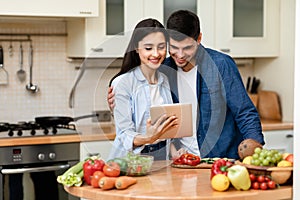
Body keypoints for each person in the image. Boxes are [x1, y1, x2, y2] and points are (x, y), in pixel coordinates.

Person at [108, 10, 264, 160]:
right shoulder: (165, 70)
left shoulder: (221, 65)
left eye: (187, 48)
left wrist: (255, 150)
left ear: (199, 39)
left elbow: (244, 112)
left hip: (218, 159)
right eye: (174, 48)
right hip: (183, 164)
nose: (181, 55)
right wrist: (117, 104)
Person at [107, 18, 179, 161]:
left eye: (161, 47)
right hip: (131, 159)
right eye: (148, 48)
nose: (156, 53)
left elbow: (164, 127)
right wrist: (148, 138)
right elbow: (124, 135)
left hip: (162, 156)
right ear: (136, 47)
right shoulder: (122, 83)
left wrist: (174, 152)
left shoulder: (164, 80)